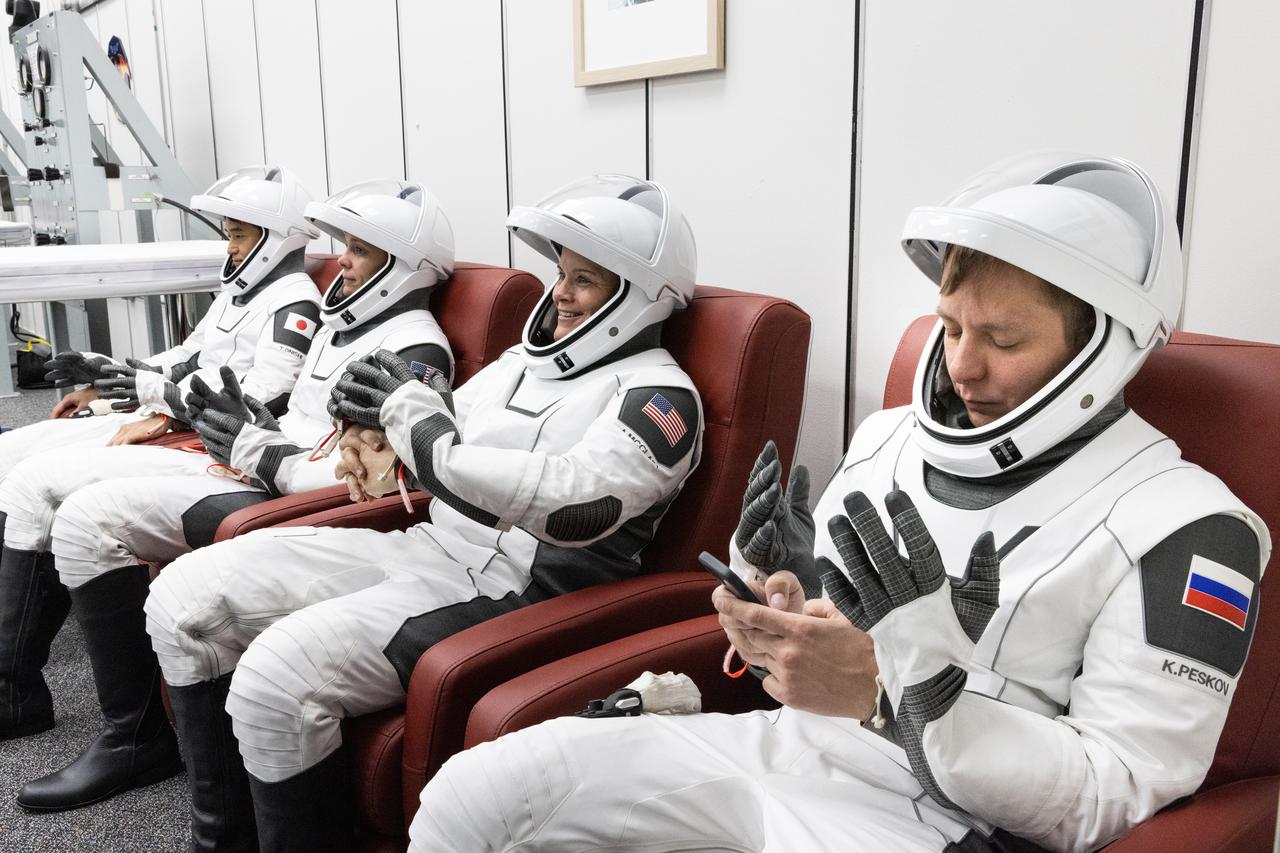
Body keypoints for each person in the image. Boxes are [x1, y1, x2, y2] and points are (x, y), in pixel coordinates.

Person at [409, 153, 1270, 853]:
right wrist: (783, 590)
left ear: (1106, 347)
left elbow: (1109, 795)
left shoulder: (1191, 530)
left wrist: (900, 697)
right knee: (476, 795)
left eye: (1002, 340)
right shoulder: (891, 436)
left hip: (949, 826)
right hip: (794, 750)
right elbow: (846, 633)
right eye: (953, 327)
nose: (962, 365)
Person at [143, 175, 705, 851]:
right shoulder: (517, 364)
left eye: (584, 281)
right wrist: (381, 424)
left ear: (639, 299)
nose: (559, 294)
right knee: (182, 595)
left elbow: (575, 504)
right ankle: (221, 838)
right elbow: (431, 435)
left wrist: (419, 425)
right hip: (427, 546)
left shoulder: (662, 399)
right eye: (561, 273)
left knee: (275, 678)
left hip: (514, 591)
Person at [8, 181, 456, 820]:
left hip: (272, 488)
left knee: (79, 514)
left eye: (359, 251)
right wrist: (229, 426)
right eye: (347, 247)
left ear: (402, 270)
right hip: (245, 465)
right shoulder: (344, 323)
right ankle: (130, 735)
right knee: (65, 506)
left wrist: (260, 451)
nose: (342, 264)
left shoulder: (413, 349)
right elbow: (269, 406)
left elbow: (368, 478)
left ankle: (127, 737)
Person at [0, 165, 321, 746]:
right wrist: (109, 374)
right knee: (10, 458)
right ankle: (11, 672)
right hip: (171, 418)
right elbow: (186, 355)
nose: (230, 244)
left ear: (276, 239)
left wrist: (155, 398)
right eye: (228, 231)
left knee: (35, 482)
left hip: (197, 437)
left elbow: (264, 396)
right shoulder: (242, 293)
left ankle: (16, 687)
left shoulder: (295, 302)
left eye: (241, 233)